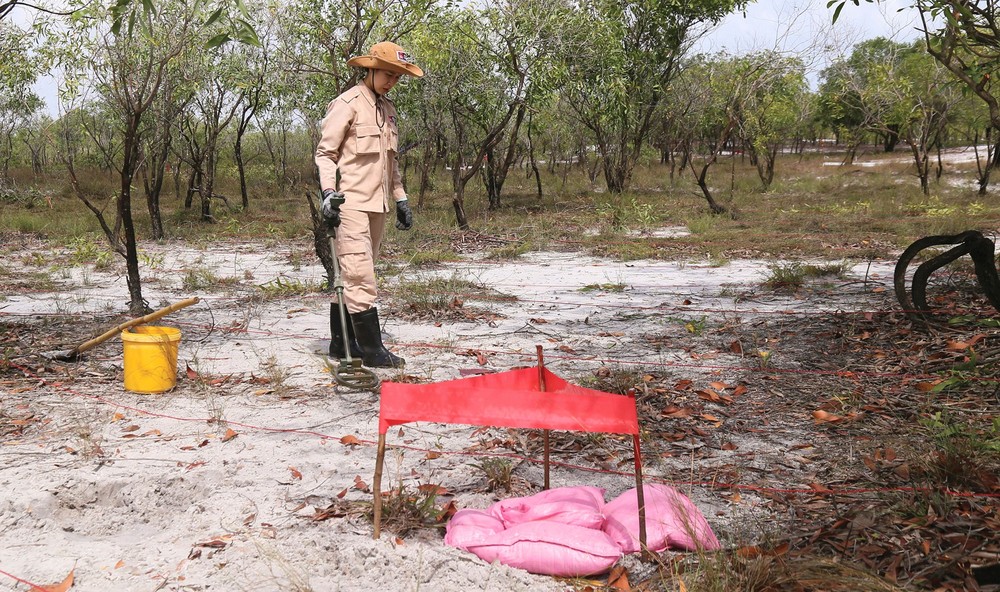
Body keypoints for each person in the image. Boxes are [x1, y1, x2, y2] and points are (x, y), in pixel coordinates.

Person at [315, 41, 423, 368]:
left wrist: (401, 199)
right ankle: (374, 351)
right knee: (361, 275)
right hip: (349, 204)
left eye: (397, 77)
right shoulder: (346, 104)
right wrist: (328, 193)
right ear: (370, 69)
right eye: (387, 74)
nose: (392, 81)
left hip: (378, 206)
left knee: (354, 274)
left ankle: (341, 344)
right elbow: (325, 154)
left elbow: (391, 164)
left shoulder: (388, 110)